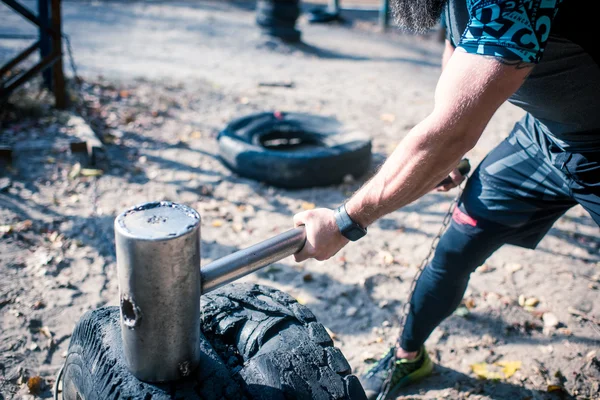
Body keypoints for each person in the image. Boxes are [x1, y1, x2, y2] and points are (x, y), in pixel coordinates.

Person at [292, 0, 599, 398]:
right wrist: (450, 142)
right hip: (544, 140)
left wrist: (345, 222)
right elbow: (460, 47)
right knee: (454, 250)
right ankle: (408, 355)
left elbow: (453, 133)